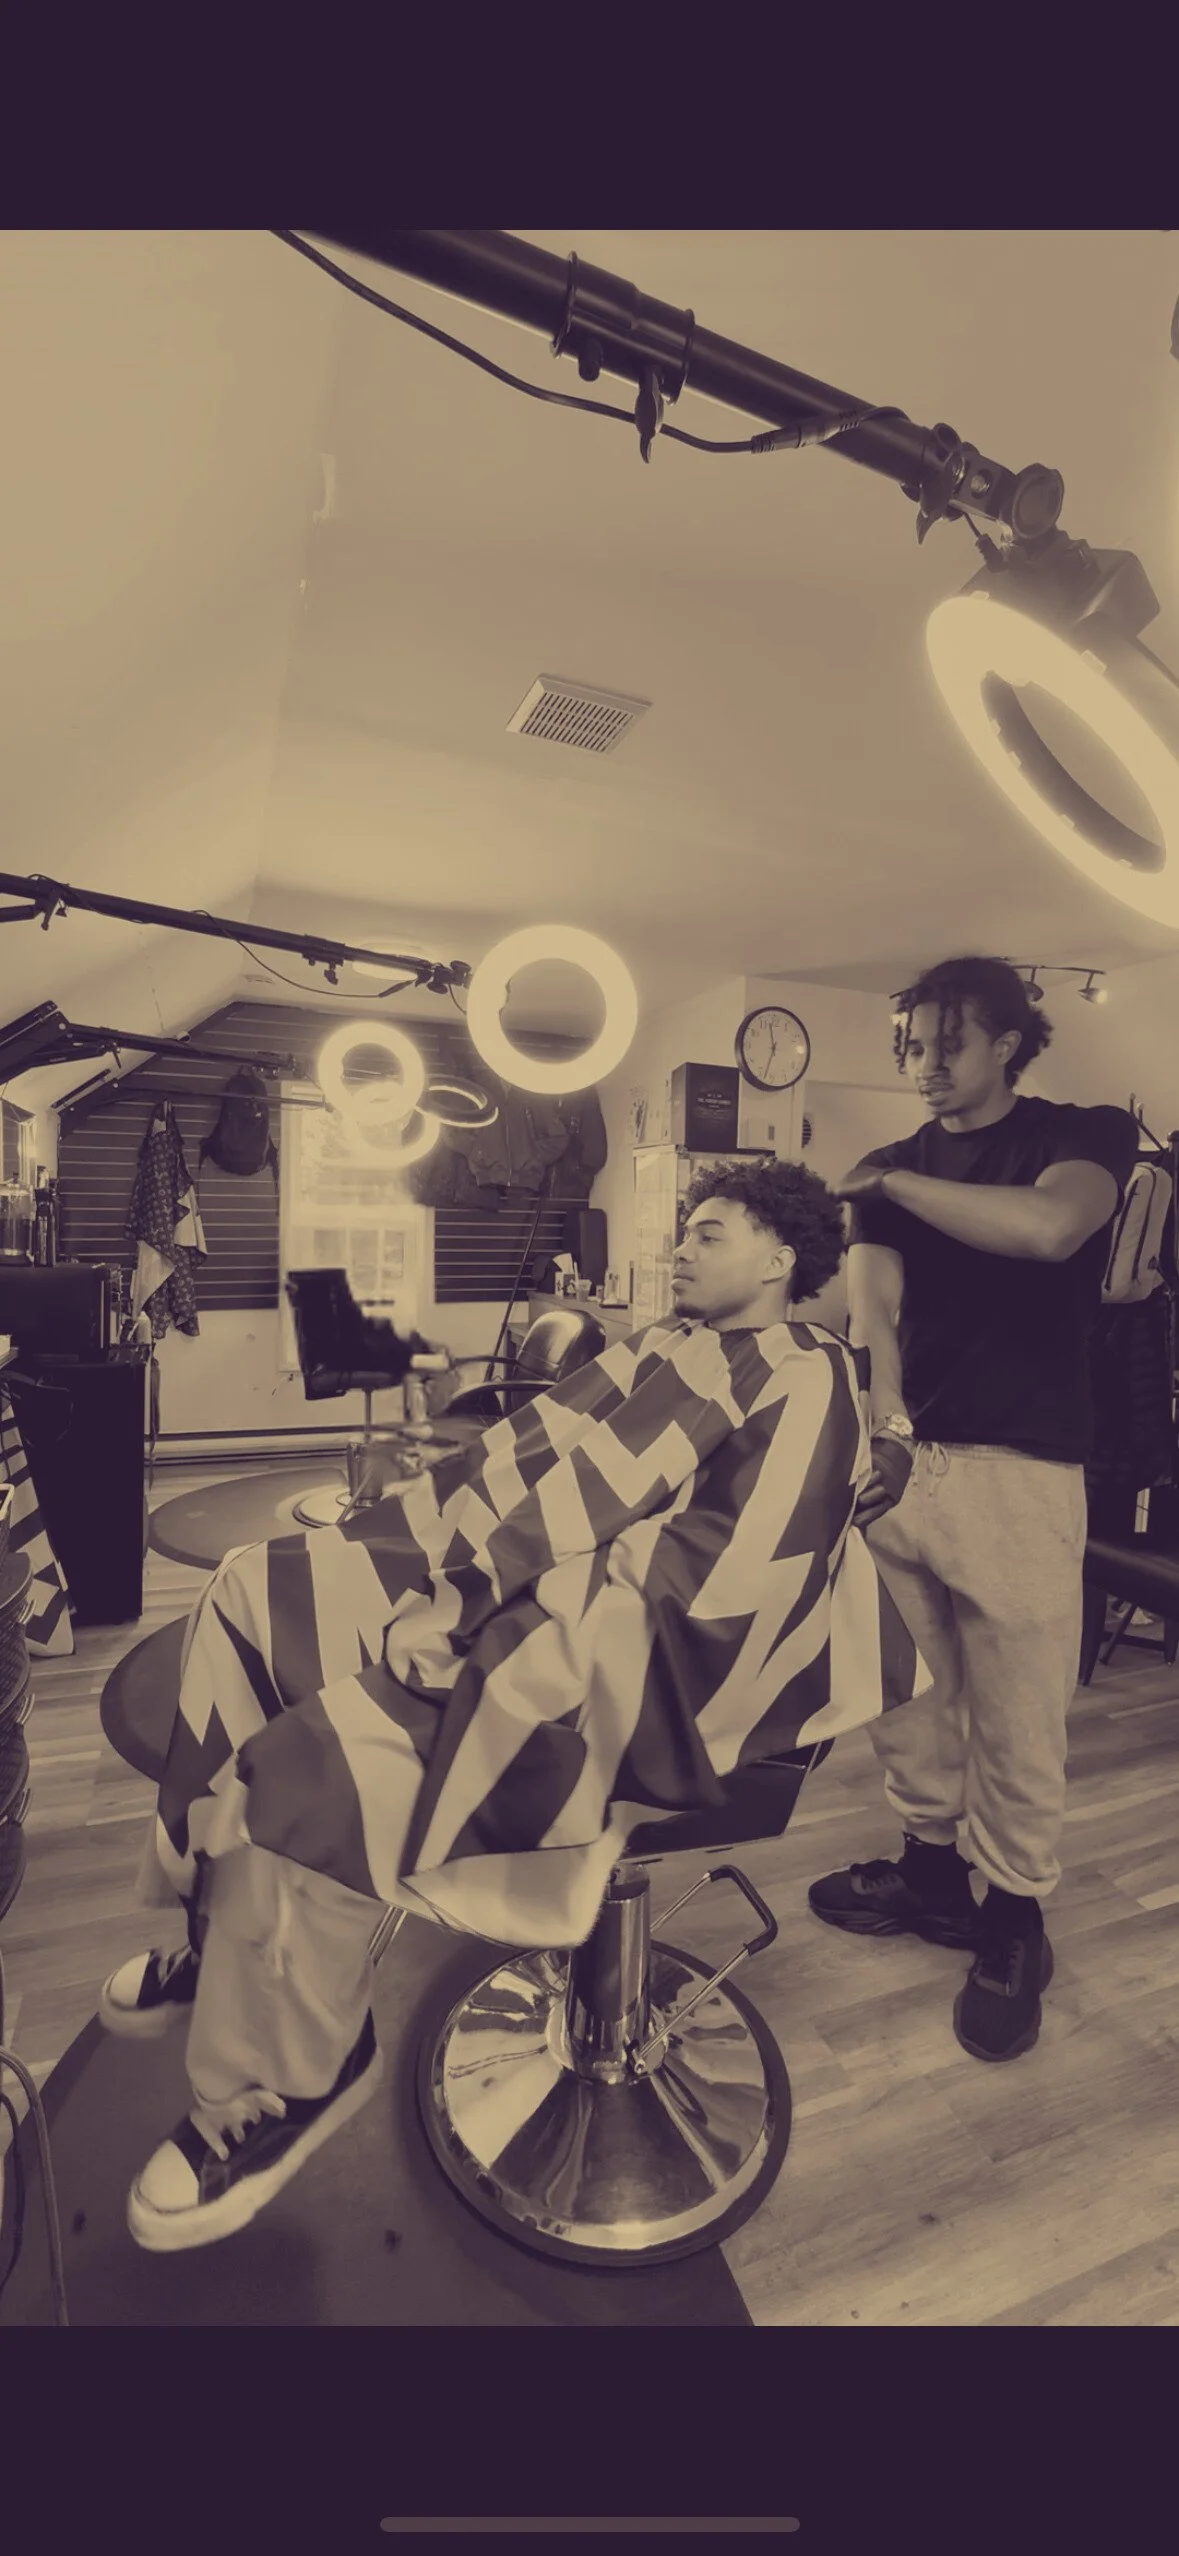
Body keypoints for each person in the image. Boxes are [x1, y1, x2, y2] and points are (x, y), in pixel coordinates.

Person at [99, 1158, 930, 2253]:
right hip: (535, 1585)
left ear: (782, 1259)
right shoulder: (671, 1344)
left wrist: (485, 1623)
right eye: (683, 1228)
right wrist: (421, 1550)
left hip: (640, 1662)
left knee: (321, 1764)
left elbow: (719, 1585)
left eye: (710, 1231)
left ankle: (283, 2077)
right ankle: (226, 1931)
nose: (681, 1245)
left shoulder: (805, 1372)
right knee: (257, 1591)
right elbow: (534, 1470)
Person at [809, 954, 1139, 2064]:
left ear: (1006, 1040)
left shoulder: (1081, 1132)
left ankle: (1013, 1922)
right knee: (906, 1695)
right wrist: (886, 1427)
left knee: (1016, 1708)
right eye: (910, 1047)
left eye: (947, 1043)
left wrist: (891, 1186)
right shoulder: (894, 1164)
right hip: (911, 1461)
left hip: (1024, 1467)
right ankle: (933, 1875)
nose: (924, 1066)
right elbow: (879, 1315)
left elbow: (1051, 1231)